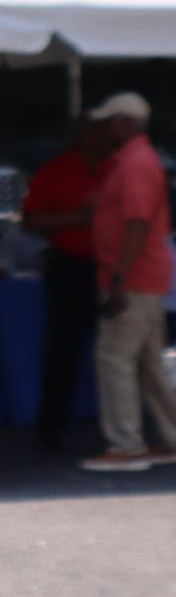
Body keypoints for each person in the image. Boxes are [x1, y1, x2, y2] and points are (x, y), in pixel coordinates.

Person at [79, 92, 176, 471]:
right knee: (147, 362)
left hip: (132, 278)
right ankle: (169, 437)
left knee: (114, 357)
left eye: (108, 122)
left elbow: (137, 222)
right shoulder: (137, 160)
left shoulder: (134, 163)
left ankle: (125, 445)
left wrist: (119, 277)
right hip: (144, 276)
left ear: (125, 124)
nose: (102, 129)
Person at [22, 115, 111, 450]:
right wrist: (78, 218)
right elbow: (31, 221)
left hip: (112, 269)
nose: (96, 135)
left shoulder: (120, 168)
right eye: (89, 129)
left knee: (114, 351)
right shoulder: (55, 171)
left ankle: (120, 429)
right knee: (63, 349)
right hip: (69, 267)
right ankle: (52, 427)